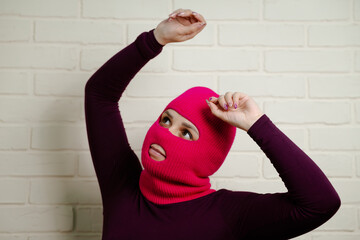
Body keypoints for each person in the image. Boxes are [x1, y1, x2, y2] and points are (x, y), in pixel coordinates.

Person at [84, 8, 341, 240]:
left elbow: (320, 205)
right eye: (166, 119)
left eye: (186, 133)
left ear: (208, 155)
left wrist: (256, 124)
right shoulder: (121, 184)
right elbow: (99, 95)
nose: (166, 134)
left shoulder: (228, 214)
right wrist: (155, 38)